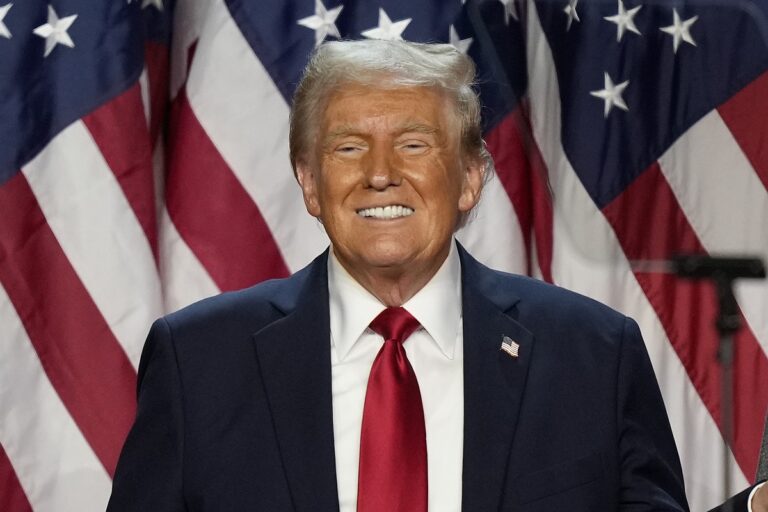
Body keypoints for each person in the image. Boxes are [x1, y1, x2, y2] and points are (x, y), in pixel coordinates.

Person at [107, 40, 691, 511]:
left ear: (469, 178)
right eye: (348, 148)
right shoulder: (200, 359)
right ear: (309, 182)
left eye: (413, 144)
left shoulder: (593, 354)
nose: (380, 174)